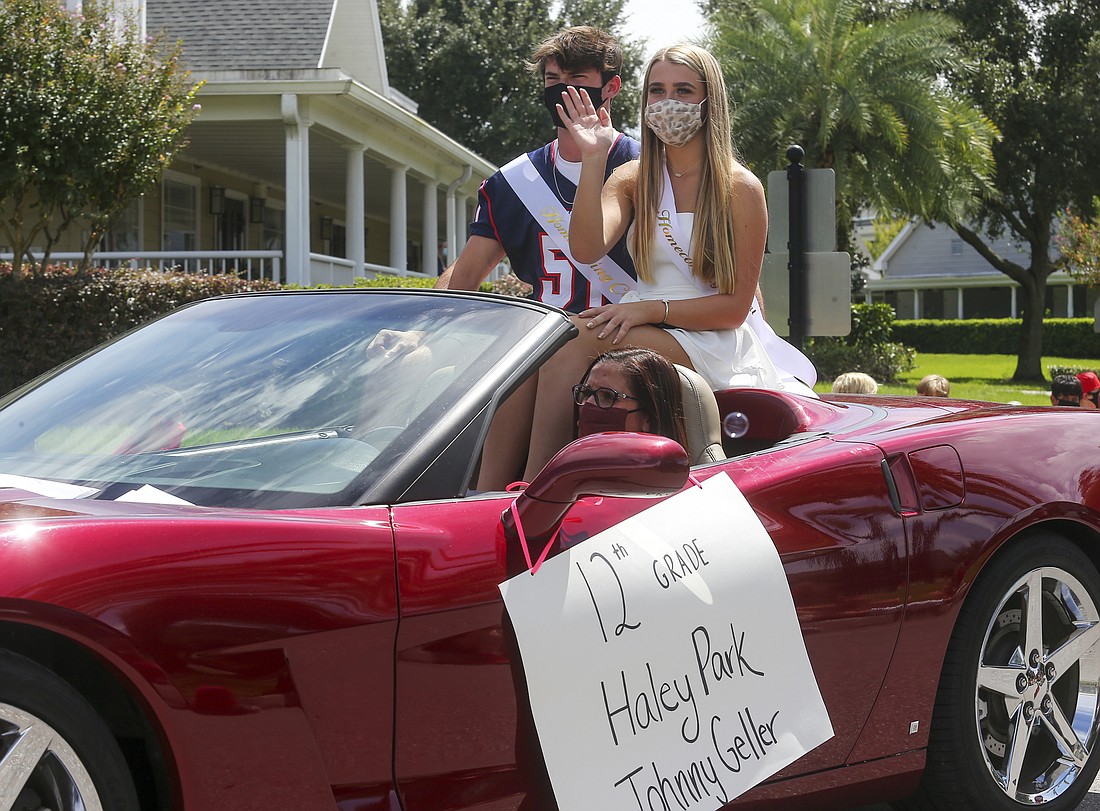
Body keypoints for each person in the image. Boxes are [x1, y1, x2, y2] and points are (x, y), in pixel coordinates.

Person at [511, 44, 783, 481]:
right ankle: (486, 489)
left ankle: (534, 485)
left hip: (711, 336)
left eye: (683, 90)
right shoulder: (633, 177)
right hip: (646, 320)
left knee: (575, 340)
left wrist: (649, 310)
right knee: (530, 351)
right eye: (657, 90)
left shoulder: (740, 187)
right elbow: (586, 248)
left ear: (709, 100)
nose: (667, 101)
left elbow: (733, 310)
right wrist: (594, 159)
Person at [436, 25, 640, 490]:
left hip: (627, 341)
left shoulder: (648, 168)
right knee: (511, 362)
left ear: (611, 87)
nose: (562, 91)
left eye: (577, 80)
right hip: (542, 340)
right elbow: (466, 274)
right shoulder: (514, 183)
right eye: (552, 80)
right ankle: (486, 502)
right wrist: (420, 329)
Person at [573, 348, 687, 447]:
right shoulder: (566, 465)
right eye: (586, 393)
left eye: (608, 396)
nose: (588, 403)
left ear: (648, 418)